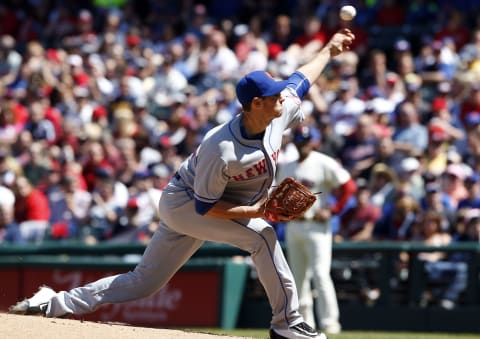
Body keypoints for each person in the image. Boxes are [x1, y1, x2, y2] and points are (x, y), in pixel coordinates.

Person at [9, 28, 355, 339]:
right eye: (275, 95)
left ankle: (53, 303)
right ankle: (287, 323)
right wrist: (255, 209)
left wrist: (329, 49)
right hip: (187, 204)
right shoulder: (221, 148)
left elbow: (300, 80)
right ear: (256, 104)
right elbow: (205, 207)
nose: (283, 97)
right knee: (262, 237)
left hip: (205, 203)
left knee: (144, 282)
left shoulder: (278, 112)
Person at [276, 125, 357, 334]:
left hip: (318, 227)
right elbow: (279, 195)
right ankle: (305, 324)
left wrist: (334, 210)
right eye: (300, 140)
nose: (303, 144)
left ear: (314, 141)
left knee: (321, 275)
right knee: (298, 279)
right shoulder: (287, 166)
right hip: (295, 225)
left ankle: (330, 323)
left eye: (306, 140)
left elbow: (349, 187)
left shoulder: (323, 162)